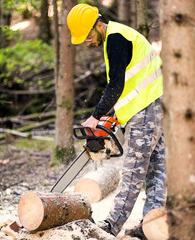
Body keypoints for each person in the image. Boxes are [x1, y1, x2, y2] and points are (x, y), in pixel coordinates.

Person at [67, 4, 166, 239]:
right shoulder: (119, 35)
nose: (87, 41)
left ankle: (111, 226)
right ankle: (152, 223)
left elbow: (116, 85)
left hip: (146, 110)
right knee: (156, 168)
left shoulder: (116, 39)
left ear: (98, 25)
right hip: (154, 105)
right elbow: (131, 83)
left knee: (133, 172)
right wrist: (114, 115)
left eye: (88, 36)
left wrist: (96, 116)